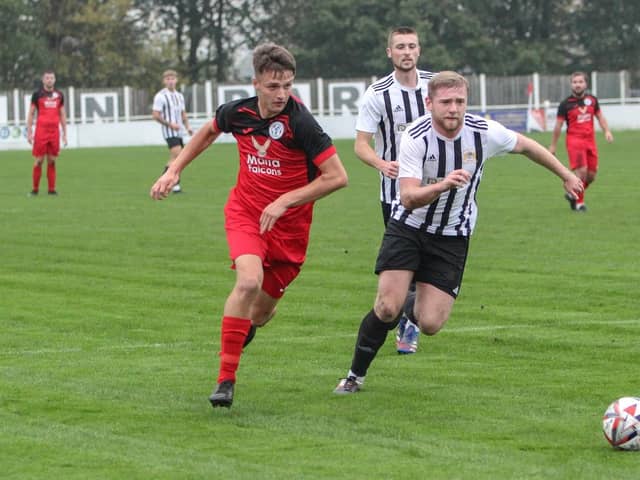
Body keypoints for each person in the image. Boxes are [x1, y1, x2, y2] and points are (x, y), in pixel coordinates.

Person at [334, 71, 583, 394]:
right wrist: (442, 185)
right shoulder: (415, 135)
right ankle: (355, 376)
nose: (453, 108)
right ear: (430, 103)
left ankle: (412, 303)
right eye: (446, 102)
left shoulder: (483, 131)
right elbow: (408, 197)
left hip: (452, 235)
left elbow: (527, 146)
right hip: (408, 227)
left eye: (460, 101)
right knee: (385, 307)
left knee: (431, 323)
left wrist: (564, 174)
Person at [150, 43, 348, 408]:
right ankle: (225, 382)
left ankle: (247, 326)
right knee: (247, 281)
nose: (281, 94)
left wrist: (285, 200)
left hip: (289, 231)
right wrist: (174, 169)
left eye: (288, 85)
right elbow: (208, 132)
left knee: (260, 313)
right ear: (256, 82)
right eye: (273, 86)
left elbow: (337, 177)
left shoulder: (301, 123)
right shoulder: (237, 112)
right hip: (246, 214)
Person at [354, 26, 434, 354]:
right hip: (395, 196)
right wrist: (381, 164)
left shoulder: (435, 85)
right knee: (408, 265)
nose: (406, 52)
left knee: (428, 266)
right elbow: (361, 144)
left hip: (436, 192)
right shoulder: (378, 93)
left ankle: (409, 320)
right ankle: (407, 322)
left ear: (419, 50)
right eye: (399, 46)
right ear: (390, 52)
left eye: (411, 46)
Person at [549, 71, 613, 212]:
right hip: (574, 141)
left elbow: (600, 117)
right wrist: (553, 146)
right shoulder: (565, 104)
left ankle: (573, 195)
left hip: (590, 141)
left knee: (591, 176)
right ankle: (580, 204)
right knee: (582, 172)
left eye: (580, 82)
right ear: (571, 84)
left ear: (586, 84)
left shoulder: (593, 100)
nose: (577, 84)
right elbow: (558, 126)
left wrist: (607, 131)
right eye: (575, 82)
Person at [26, 70, 67, 196]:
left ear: (54, 80)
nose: (50, 80)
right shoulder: (37, 94)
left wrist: (65, 133)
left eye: (52, 78)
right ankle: (35, 189)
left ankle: (51, 190)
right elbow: (31, 113)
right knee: (39, 160)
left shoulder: (59, 95)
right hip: (41, 131)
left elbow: (62, 114)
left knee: (52, 161)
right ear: (43, 80)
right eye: (47, 78)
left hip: (54, 131)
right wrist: (29, 131)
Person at [152, 70, 193, 193]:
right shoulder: (161, 96)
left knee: (175, 159)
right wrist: (170, 124)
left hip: (179, 132)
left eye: (172, 78)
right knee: (179, 156)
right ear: (164, 81)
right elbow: (155, 115)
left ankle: (168, 183)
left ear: (176, 80)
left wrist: (188, 127)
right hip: (169, 132)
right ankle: (171, 185)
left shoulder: (179, 96)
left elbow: (183, 114)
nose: (170, 81)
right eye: (168, 79)